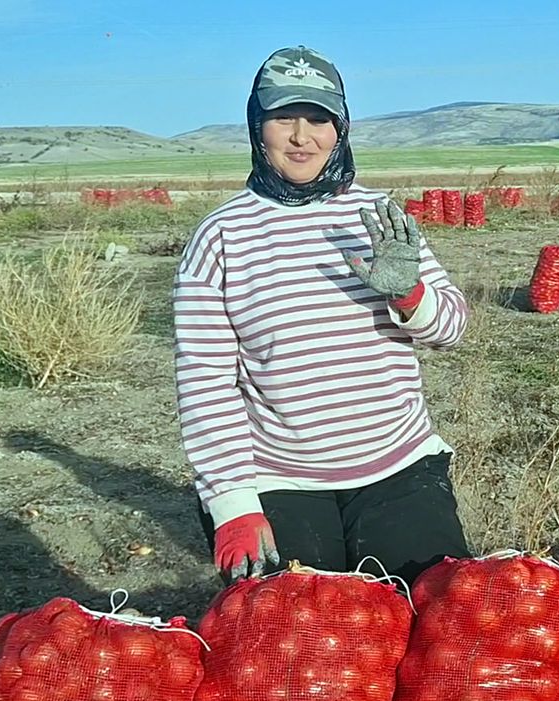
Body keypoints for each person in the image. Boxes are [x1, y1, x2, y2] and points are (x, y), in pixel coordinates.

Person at [173, 46, 472, 583]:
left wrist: (409, 294)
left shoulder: (378, 219)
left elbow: (450, 327)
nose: (300, 136)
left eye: (318, 119)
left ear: (342, 127)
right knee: (304, 649)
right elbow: (205, 382)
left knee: (425, 625)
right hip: (279, 479)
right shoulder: (221, 236)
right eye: (282, 117)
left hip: (399, 467)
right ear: (256, 125)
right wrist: (232, 502)